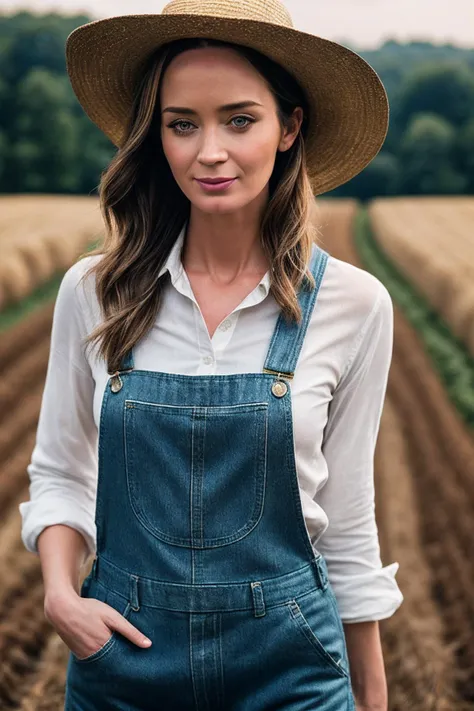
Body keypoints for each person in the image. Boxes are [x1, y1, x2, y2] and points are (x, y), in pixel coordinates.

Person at [19, 1, 404, 709]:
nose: (209, 152)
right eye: (181, 124)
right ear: (155, 136)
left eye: (239, 119)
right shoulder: (94, 292)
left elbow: (347, 522)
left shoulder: (355, 304)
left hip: (292, 671)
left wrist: (372, 700)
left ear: (289, 127)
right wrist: (58, 598)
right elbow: (60, 471)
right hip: (126, 666)